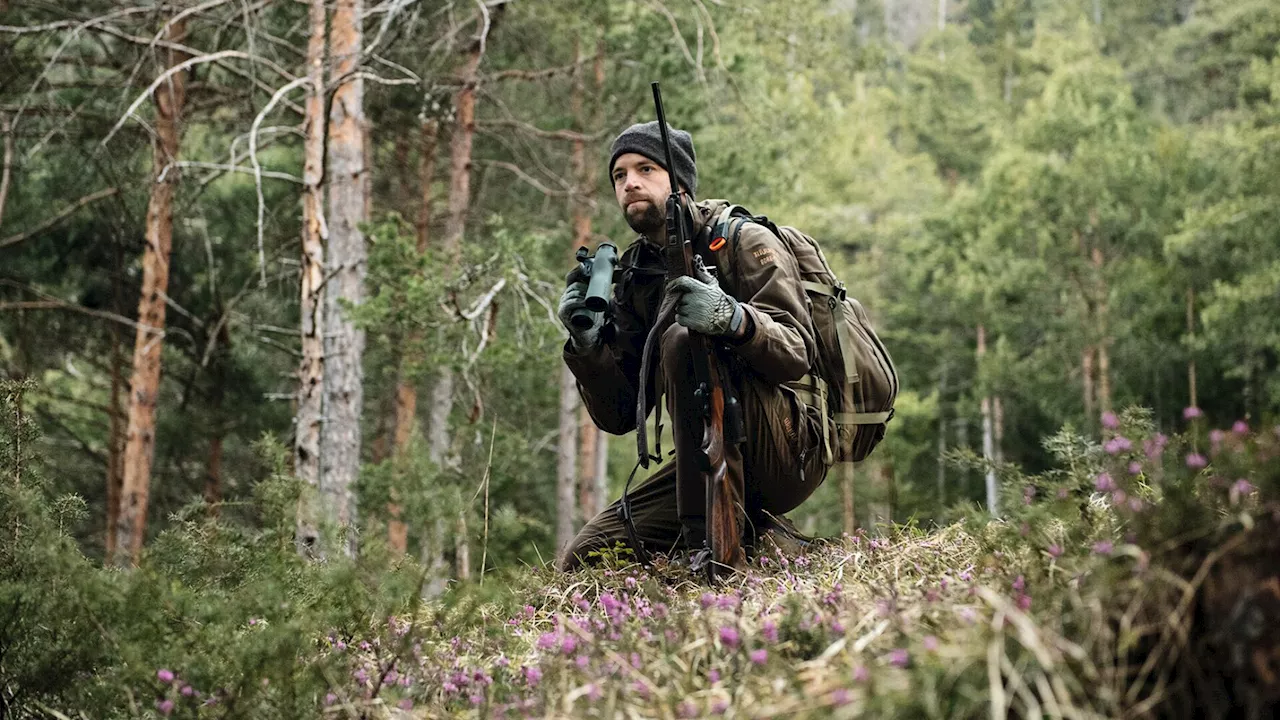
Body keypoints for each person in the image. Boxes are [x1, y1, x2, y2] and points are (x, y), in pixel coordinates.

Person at [555, 121, 826, 571]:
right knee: (588, 556)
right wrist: (588, 349)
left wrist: (732, 319)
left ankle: (712, 543)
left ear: (680, 182)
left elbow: (797, 353)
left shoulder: (743, 240)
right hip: (707, 455)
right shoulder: (637, 274)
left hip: (788, 447)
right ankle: (771, 539)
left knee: (685, 338)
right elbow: (622, 414)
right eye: (619, 175)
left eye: (645, 169)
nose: (630, 183)